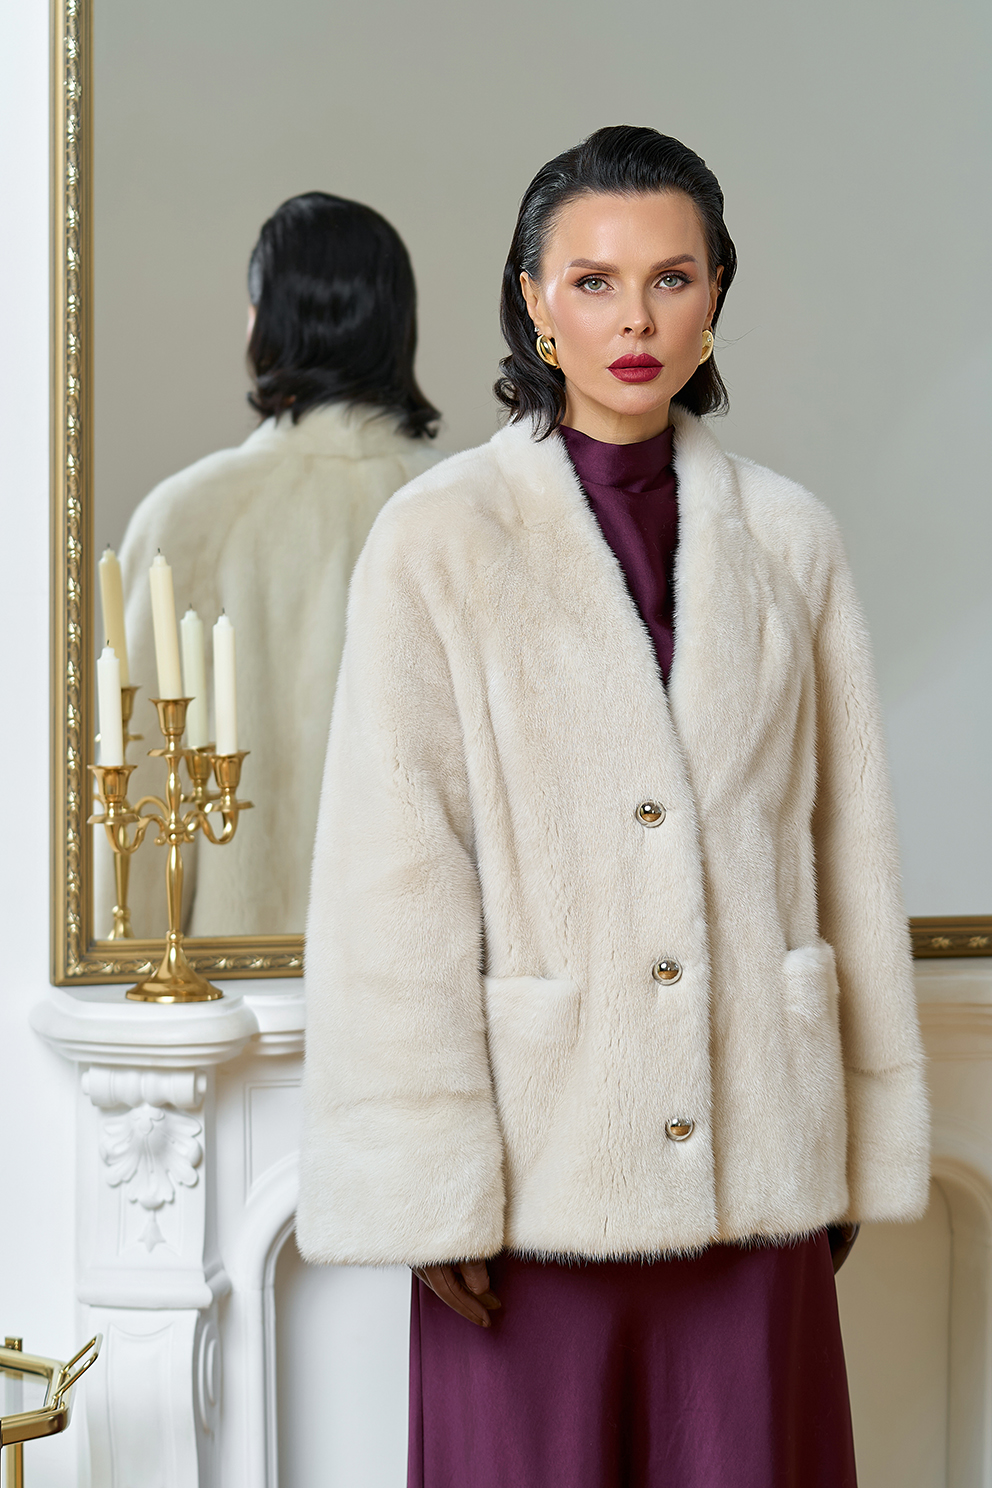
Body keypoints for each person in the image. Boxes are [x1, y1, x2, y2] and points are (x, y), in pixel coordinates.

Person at [298, 128, 929, 1486]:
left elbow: (848, 850)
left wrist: (846, 1143)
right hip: (531, 1190)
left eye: (670, 278)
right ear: (533, 298)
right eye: (593, 281)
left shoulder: (791, 540)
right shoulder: (440, 538)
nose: (634, 320)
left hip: (757, 1173)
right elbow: (393, 872)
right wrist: (427, 1182)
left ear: (716, 294)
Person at [100, 192, 442, 938]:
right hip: (426, 976)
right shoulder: (466, 509)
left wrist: (117, 972)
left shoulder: (191, 515)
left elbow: (136, 786)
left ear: (267, 322)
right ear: (398, 326)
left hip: (230, 986)